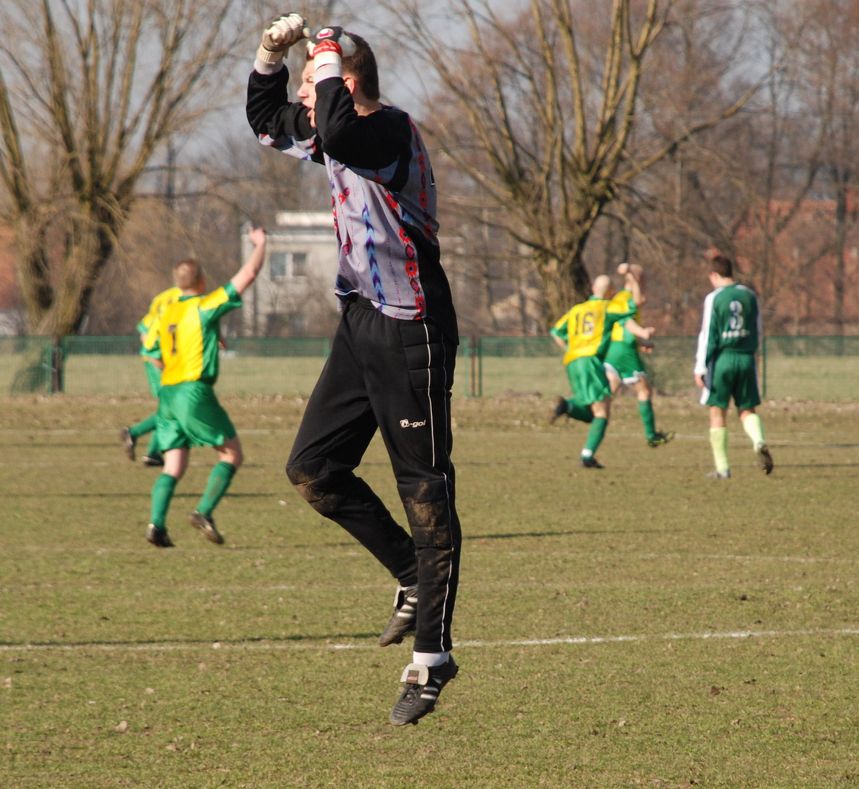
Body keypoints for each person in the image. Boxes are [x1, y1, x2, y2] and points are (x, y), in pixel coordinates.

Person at [246, 17, 461, 726]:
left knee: (425, 491)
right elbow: (265, 122)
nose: (305, 99)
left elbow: (334, 130)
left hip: (410, 326)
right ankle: (406, 573)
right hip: (361, 321)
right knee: (313, 469)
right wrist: (273, 57)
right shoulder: (333, 125)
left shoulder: (386, 130)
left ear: (348, 83)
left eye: (316, 85)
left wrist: (328, 51)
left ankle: (432, 658)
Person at [143, 226, 267, 547]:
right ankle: (204, 511)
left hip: (167, 393)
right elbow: (249, 273)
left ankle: (156, 525)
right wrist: (260, 244)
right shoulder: (203, 306)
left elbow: (151, 352)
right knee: (231, 454)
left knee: (174, 464)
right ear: (201, 282)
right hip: (192, 391)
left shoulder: (167, 312)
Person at [549, 275, 653, 468]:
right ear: (611, 291)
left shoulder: (577, 309)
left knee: (592, 410)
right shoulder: (607, 308)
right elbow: (635, 304)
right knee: (602, 411)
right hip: (591, 360)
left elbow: (556, 332)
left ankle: (568, 408)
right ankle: (587, 456)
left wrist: (569, 349)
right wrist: (632, 277)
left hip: (572, 361)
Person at [694, 253, 773, 478]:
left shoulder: (714, 298)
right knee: (747, 409)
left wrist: (700, 366)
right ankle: (758, 441)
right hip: (746, 357)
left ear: (714, 274)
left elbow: (708, 334)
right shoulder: (750, 295)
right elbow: (758, 329)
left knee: (717, 411)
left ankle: (722, 468)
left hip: (723, 359)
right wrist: (753, 355)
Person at [604, 263, 674, 448]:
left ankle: (580, 412)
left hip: (615, 348)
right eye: (643, 279)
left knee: (609, 391)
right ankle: (651, 435)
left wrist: (641, 342)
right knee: (644, 391)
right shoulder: (627, 297)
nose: (646, 284)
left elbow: (622, 325)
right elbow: (632, 312)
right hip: (623, 349)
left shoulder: (620, 298)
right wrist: (643, 334)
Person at [120, 286, 182, 466]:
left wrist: (150, 350)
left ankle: (153, 452)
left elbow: (143, 330)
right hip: (160, 361)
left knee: (169, 409)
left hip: (154, 358)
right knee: (171, 409)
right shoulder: (186, 299)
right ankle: (134, 434)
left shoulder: (163, 296)